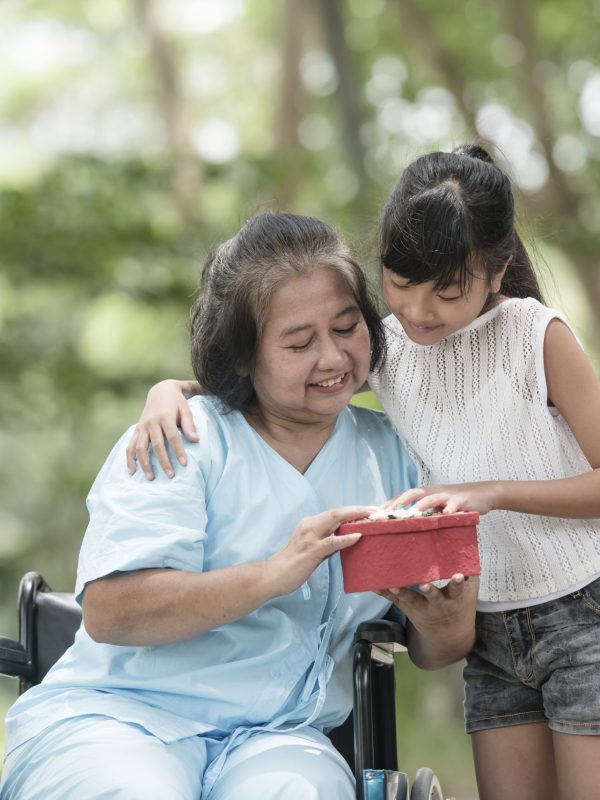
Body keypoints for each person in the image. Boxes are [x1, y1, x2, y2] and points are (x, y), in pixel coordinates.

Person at [128, 146, 600, 800]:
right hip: (489, 623)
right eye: (401, 282)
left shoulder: (535, 336)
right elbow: (269, 375)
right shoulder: (390, 350)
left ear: (496, 272)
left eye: (447, 289)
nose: (418, 308)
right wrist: (167, 390)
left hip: (580, 606)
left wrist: (489, 493)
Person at [0, 212, 478, 800]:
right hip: (123, 719)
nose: (332, 358)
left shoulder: (396, 456)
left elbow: (438, 647)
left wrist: (443, 622)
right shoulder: (178, 437)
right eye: (300, 343)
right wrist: (273, 573)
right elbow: (111, 611)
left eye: (347, 327)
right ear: (243, 356)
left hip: (281, 738)